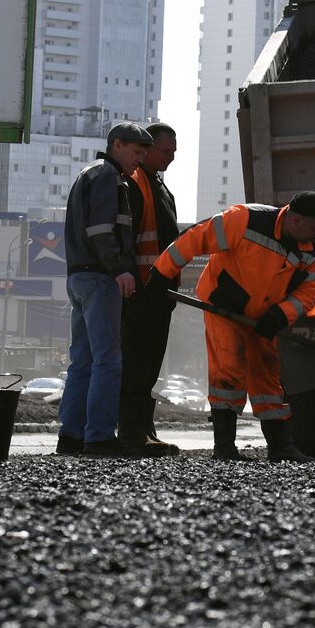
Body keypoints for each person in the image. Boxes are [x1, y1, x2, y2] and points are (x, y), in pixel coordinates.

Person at [142, 192, 315, 462]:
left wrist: (280, 315)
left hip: (263, 317)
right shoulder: (245, 220)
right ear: (296, 219)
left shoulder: (312, 252)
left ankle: (281, 447)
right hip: (224, 306)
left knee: (268, 375)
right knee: (228, 369)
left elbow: (309, 290)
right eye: (314, 228)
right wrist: (162, 273)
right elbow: (195, 238)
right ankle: (225, 448)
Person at [58, 121, 153, 458]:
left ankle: (70, 437)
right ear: (116, 145)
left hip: (79, 278)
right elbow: (101, 230)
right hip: (99, 278)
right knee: (108, 361)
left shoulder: (91, 174)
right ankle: (98, 437)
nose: (139, 159)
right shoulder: (107, 178)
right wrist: (120, 270)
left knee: (82, 361)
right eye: (136, 151)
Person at [119, 122, 182, 457]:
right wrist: (134, 288)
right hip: (142, 291)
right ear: (148, 148)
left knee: (149, 364)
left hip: (159, 292)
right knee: (136, 363)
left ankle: (144, 429)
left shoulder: (158, 185)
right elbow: (128, 240)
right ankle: (131, 432)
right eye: (166, 152)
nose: (171, 159)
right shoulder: (135, 183)